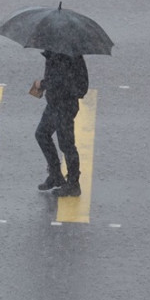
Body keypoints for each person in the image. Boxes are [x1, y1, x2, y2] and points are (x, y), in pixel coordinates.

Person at [33, 50, 89, 197]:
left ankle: (73, 183)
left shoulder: (63, 55)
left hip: (64, 106)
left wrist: (42, 84)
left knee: (66, 144)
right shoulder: (55, 52)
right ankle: (55, 174)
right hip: (55, 104)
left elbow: (61, 81)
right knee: (42, 134)